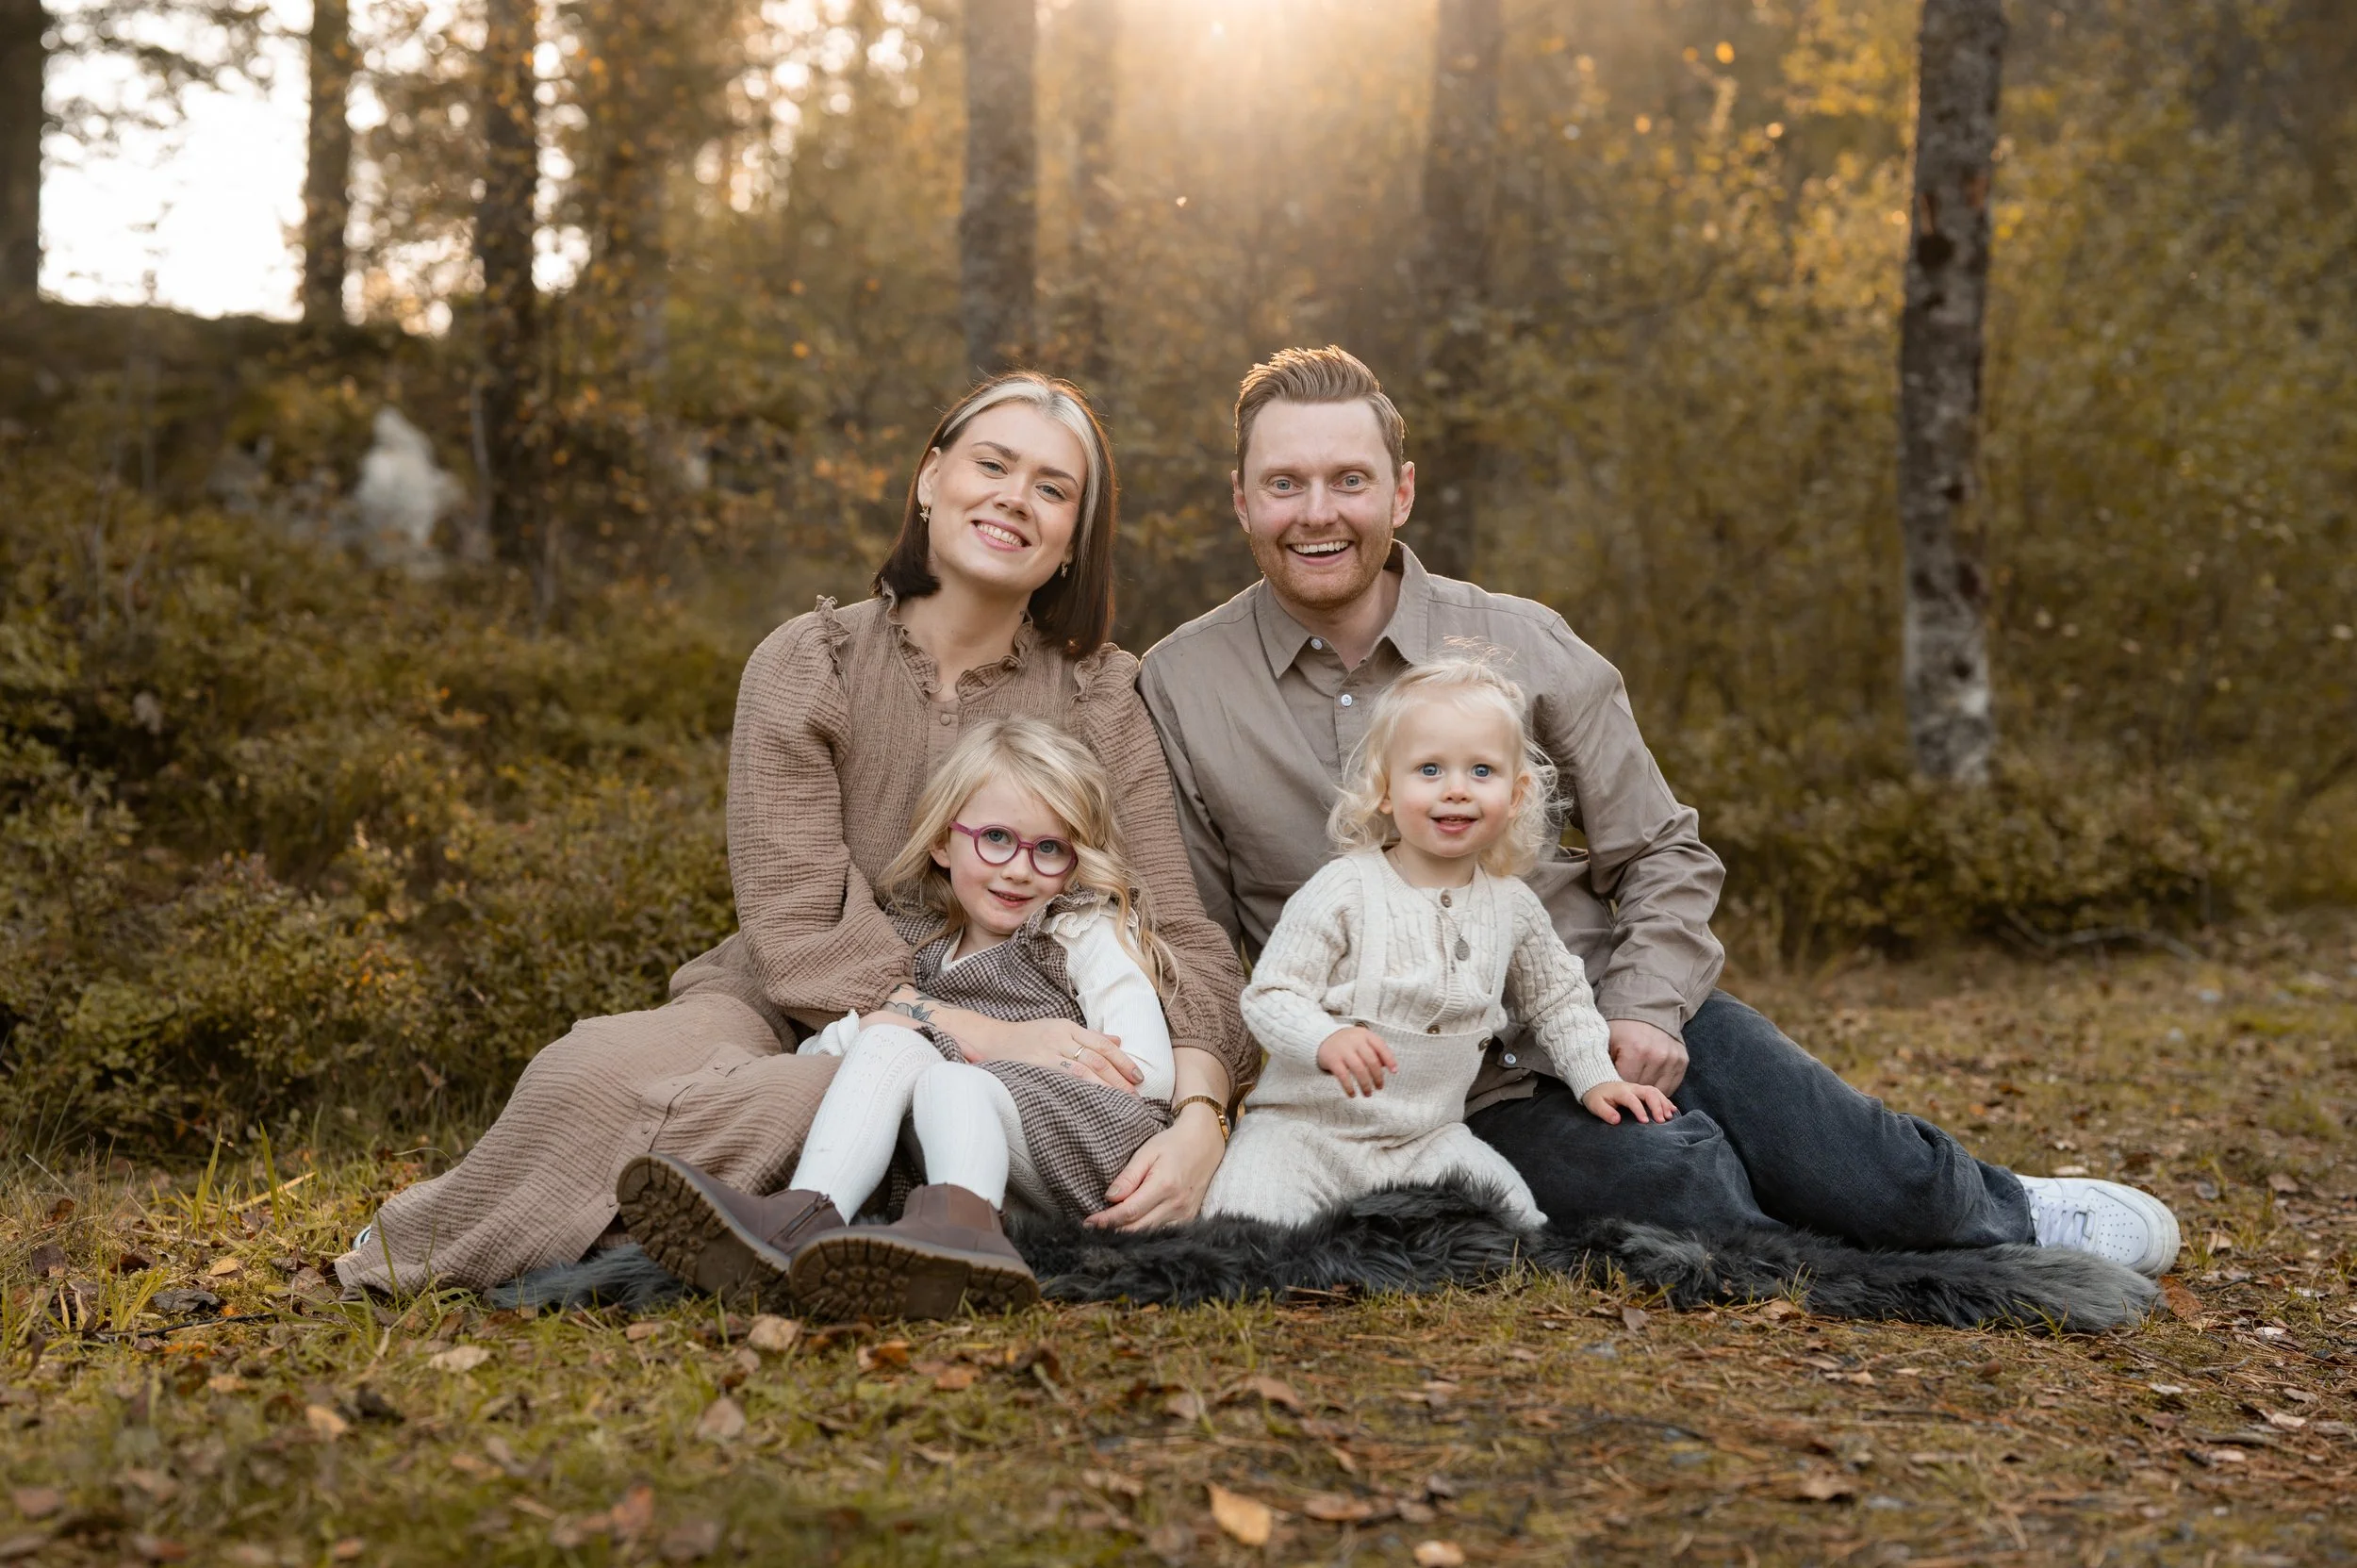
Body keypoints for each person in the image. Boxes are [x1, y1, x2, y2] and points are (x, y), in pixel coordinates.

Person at [1140, 345, 2180, 1276]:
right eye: (1285, 483)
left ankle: (2006, 1210)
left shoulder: (1523, 641)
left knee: (1871, 1176)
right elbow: (1204, 940)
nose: (1317, 512)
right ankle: (1843, 1244)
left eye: (1349, 480)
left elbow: (1662, 850)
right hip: (1445, 1090)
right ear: (1242, 500)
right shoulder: (1183, 684)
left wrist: (1644, 1007)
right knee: (1684, 1187)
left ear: (1400, 491)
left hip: (1606, 994)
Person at [336, 372, 1250, 1298]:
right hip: (785, 997)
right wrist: (957, 1029)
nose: (1016, 497)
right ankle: (442, 1242)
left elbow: (1174, 927)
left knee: (827, 1100)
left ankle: (789, 1221)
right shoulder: (808, 662)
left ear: (1072, 542)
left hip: (1024, 1010)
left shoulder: (1099, 695)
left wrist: (1200, 1118)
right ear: (930, 479)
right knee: (589, 1072)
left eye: (1052, 488)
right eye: (993, 465)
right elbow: (794, 921)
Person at [623, 716, 1181, 1318]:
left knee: (949, 1079)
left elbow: (1148, 1075)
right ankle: (801, 1217)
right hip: (970, 1168)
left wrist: (1007, 1057)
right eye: (996, 838)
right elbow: (829, 1058)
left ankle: (965, 1243)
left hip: (1093, 1156)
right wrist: (871, 1032)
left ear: (1075, 862)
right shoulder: (913, 947)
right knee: (891, 1039)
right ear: (943, 843)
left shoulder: (1080, 931)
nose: (1020, 869)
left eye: (1049, 849)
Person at [1203, 659, 1673, 1227]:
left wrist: (1596, 1077)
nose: (1456, 790)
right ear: (1385, 789)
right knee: (1246, 1222)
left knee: (1515, 1222)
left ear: (1516, 794)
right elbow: (1271, 996)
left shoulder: (1512, 906)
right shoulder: (1344, 889)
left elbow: (1558, 1001)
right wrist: (1325, 1038)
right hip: (1302, 1132)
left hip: (1426, 1140)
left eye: (1482, 770)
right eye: (1429, 769)